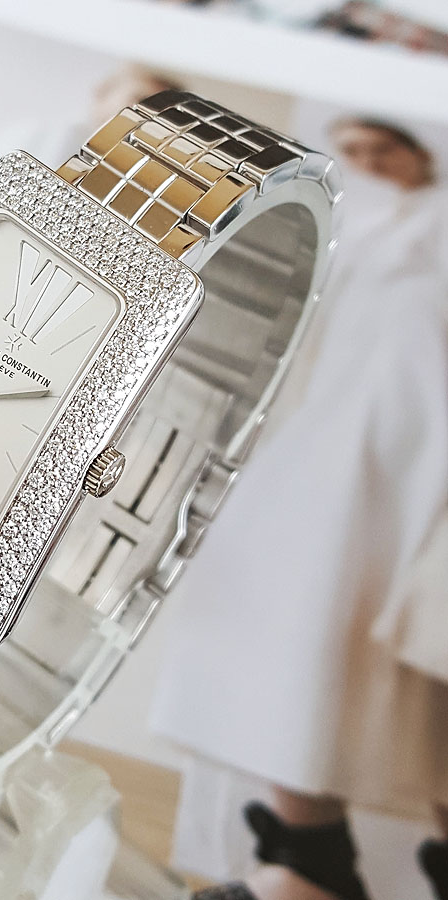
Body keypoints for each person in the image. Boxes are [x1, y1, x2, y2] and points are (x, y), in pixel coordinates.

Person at [148, 116, 448, 899]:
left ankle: (316, 863)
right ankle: (310, 856)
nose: (372, 162)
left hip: (409, 461)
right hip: (329, 453)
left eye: (385, 149)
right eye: (356, 149)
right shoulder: (353, 228)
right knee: (288, 634)